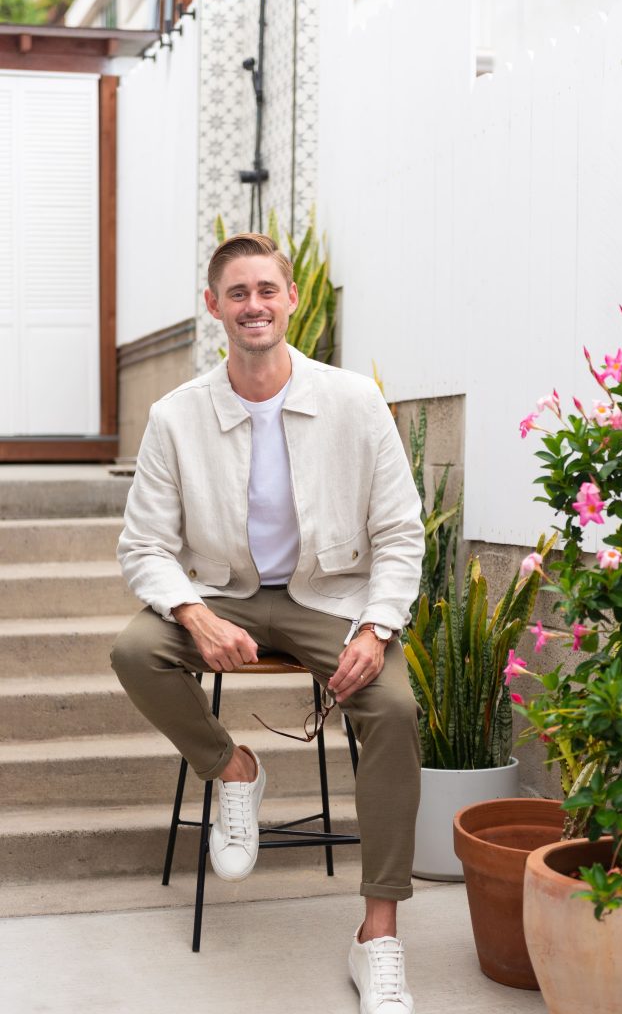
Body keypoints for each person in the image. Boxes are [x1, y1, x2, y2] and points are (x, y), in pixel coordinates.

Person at [111, 232, 425, 1013]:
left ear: (292, 299)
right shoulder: (175, 416)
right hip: (225, 594)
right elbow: (143, 545)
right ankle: (234, 771)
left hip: (332, 598)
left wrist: (376, 628)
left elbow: (400, 532)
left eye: (266, 290)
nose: (254, 305)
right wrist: (193, 613)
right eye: (237, 293)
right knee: (136, 650)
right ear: (213, 307)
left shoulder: (354, 401)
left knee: (392, 709)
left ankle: (378, 935)